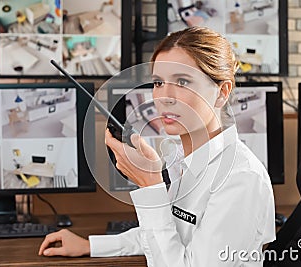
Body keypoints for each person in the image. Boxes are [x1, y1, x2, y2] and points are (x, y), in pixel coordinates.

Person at [38, 26, 276, 266]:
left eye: (183, 81)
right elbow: (170, 234)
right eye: (158, 82)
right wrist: (91, 245)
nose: (164, 97)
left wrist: (151, 186)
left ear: (222, 92)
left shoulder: (241, 178)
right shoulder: (182, 159)